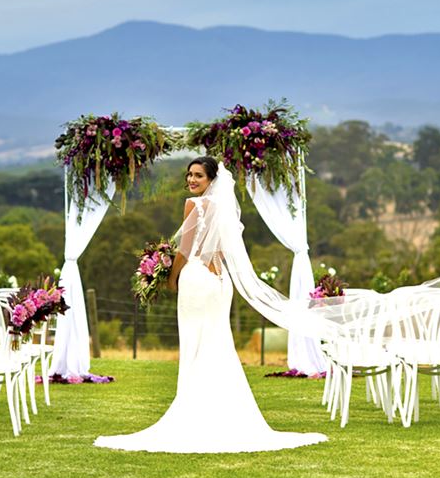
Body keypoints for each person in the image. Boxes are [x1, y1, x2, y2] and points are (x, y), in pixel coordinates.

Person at [94, 156, 327, 453]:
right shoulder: (223, 208)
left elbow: (186, 249)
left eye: (198, 176)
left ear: (211, 180)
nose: (191, 180)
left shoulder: (196, 206)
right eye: (189, 175)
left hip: (197, 280)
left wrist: (170, 277)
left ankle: (195, 411)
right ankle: (223, 412)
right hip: (220, 281)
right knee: (217, 342)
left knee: (195, 344)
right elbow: (217, 251)